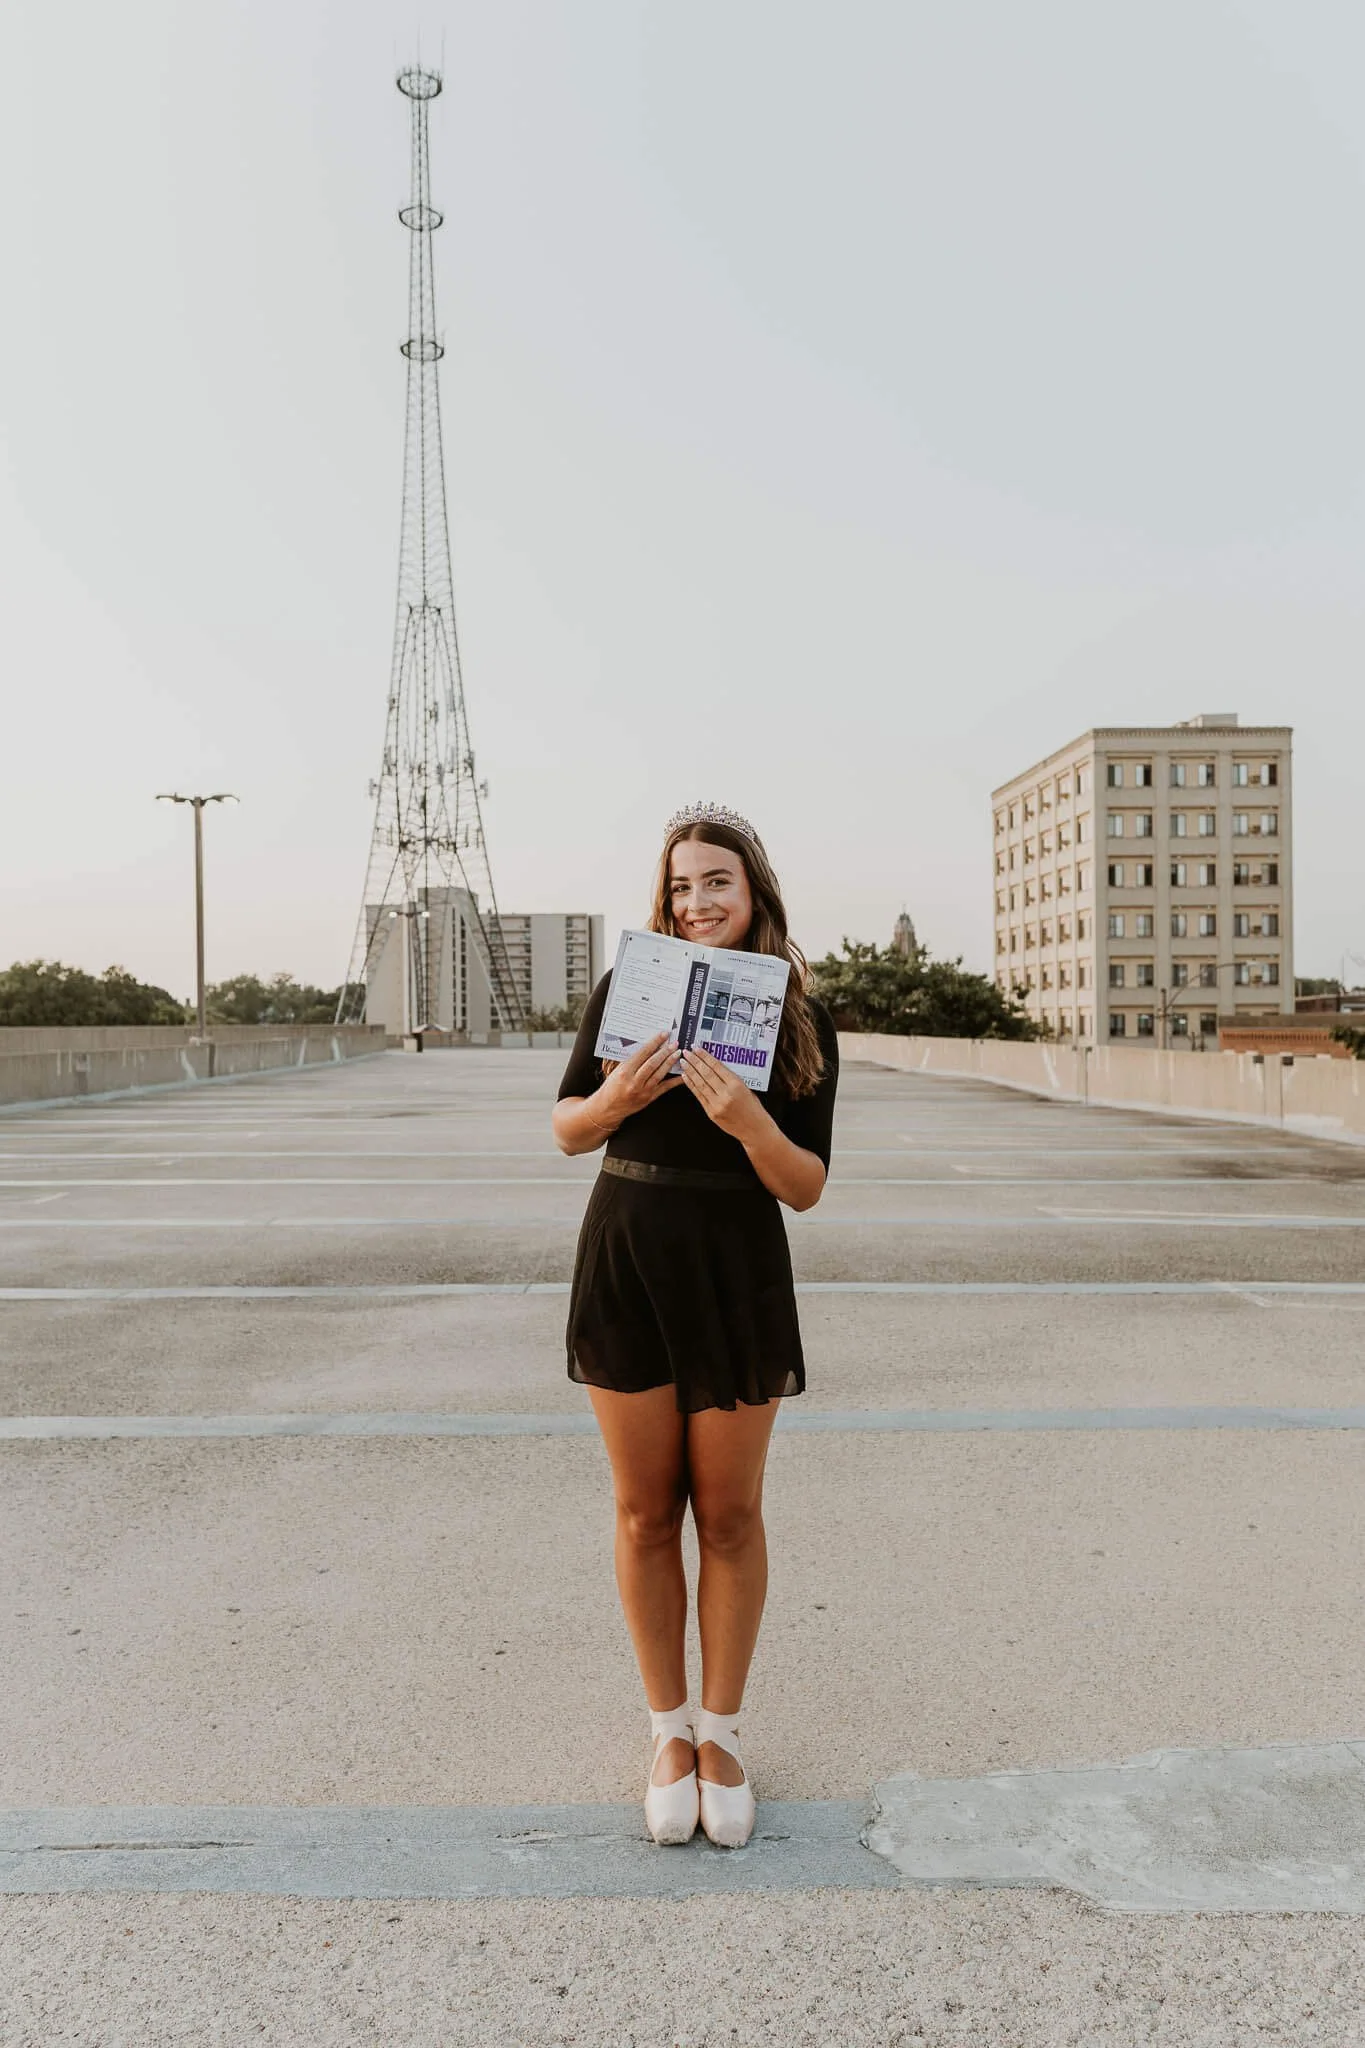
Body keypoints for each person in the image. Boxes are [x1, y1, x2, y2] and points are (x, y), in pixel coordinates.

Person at [551, 803, 839, 1848]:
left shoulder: (797, 1013)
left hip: (735, 1266)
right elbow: (565, 1128)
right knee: (641, 1512)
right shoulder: (628, 992)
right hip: (628, 1253)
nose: (697, 900)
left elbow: (804, 1186)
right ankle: (667, 1732)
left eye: (716, 880)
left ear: (753, 889)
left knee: (727, 1513)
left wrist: (748, 1119)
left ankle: (721, 1734)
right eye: (680, 885)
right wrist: (618, 1094)